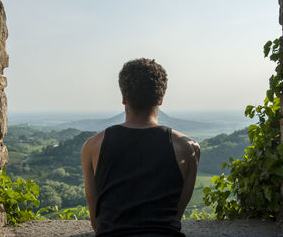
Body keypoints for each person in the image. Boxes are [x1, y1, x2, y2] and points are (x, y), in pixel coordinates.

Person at [81, 58, 200, 236]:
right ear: (160, 99)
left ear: (123, 97)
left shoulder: (92, 146)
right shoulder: (188, 149)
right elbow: (175, 217)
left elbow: (97, 222)